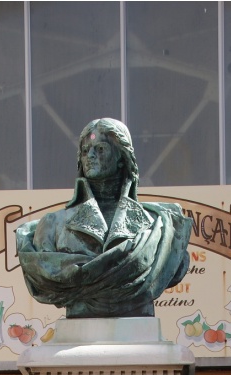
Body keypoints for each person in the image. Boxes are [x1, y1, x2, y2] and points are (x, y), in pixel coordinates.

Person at [16, 117, 192, 318]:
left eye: (100, 149)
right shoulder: (52, 224)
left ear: (121, 157)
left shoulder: (159, 227)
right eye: (85, 151)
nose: (90, 156)